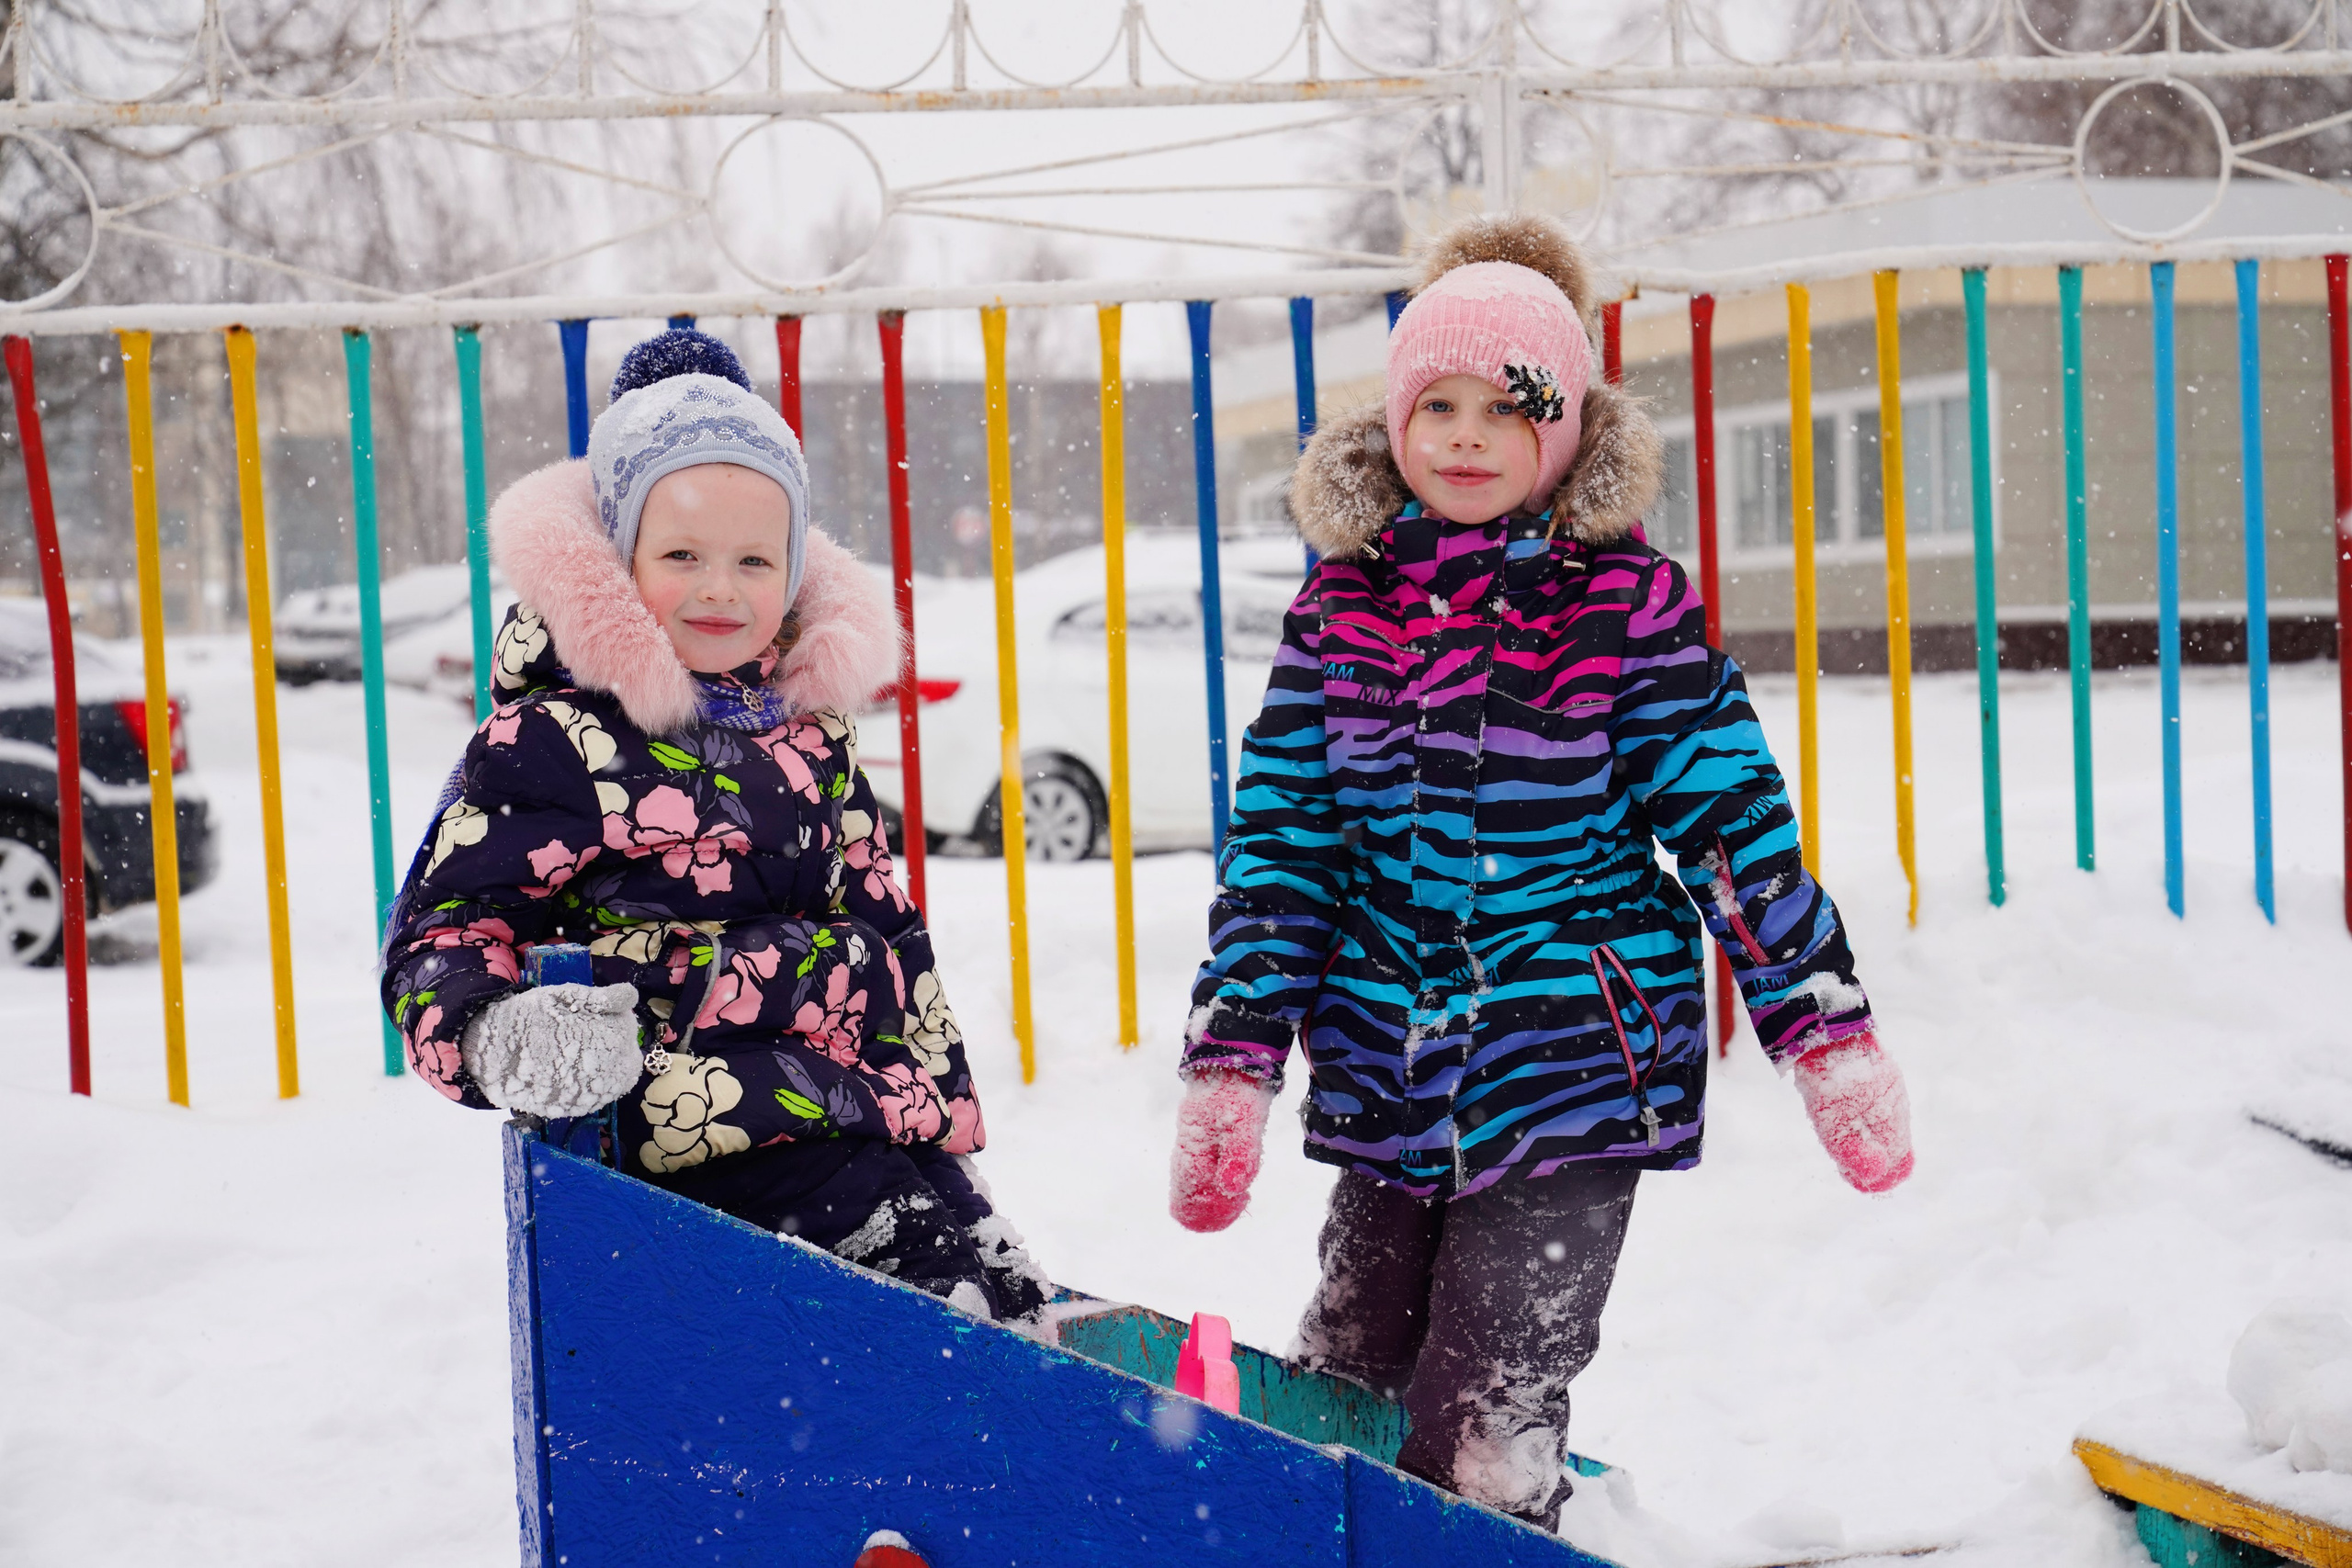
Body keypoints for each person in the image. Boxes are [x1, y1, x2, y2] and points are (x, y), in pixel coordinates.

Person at [1167, 214, 1914, 1525]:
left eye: (1504, 412)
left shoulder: (1625, 607)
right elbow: (1284, 842)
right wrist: (1235, 1054)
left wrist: (1823, 1028)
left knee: (1487, 1400)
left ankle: (1492, 1529)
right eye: (1435, 404)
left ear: (1563, 432)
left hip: (1576, 1058)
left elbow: (1733, 822)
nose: (1463, 435)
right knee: (1349, 1368)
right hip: (1393, 1060)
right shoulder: (1344, 606)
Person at [382, 329, 1046, 1325]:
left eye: (752, 559)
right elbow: (442, 932)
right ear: (616, 558)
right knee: (939, 1314)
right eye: (681, 554)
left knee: (1004, 1289)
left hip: (855, 1114)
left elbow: (891, 937)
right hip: (695, 1133)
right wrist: (491, 1031)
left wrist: (935, 1115)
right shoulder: (556, 740)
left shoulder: (810, 732)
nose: (720, 588)